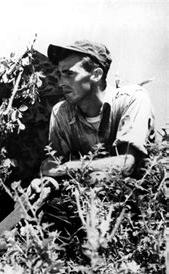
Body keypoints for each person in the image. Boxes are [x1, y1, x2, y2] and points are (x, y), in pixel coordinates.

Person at [35, 39, 155, 186]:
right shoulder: (61, 112)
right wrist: (44, 179)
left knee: (97, 178)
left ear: (96, 75)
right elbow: (54, 162)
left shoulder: (132, 99)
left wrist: (67, 167)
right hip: (81, 200)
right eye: (60, 75)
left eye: (69, 74)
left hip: (134, 198)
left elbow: (127, 164)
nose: (61, 83)